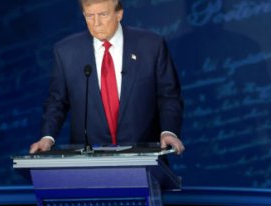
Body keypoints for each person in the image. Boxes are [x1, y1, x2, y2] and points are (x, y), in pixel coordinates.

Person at [29, 0, 184, 154]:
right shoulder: (65, 52)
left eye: (103, 14)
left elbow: (168, 96)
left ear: (119, 14)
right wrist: (47, 137)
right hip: (88, 160)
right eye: (90, 16)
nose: (96, 23)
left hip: (143, 155)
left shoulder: (151, 46)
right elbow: (57, 102)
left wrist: (169, 132)